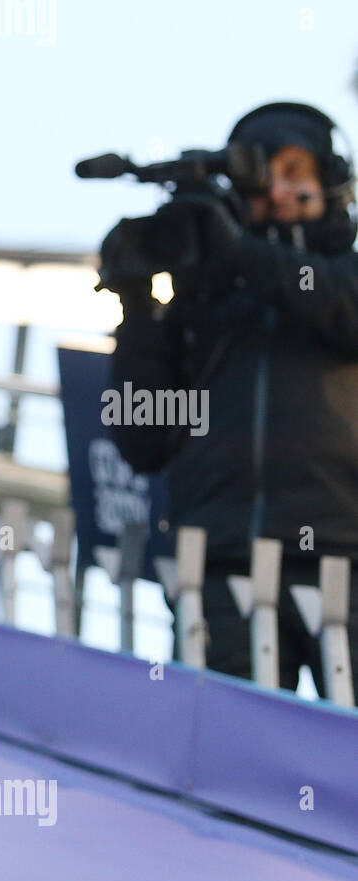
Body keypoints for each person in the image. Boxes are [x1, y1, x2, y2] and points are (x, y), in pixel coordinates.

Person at [109, 101, 358, 691]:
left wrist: (242, 254)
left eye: (293, 171)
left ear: (331, 179)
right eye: (259, 176)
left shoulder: (343, 271)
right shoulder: (204, 300)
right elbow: (144, 438)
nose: (276, 190)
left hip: (347, 563)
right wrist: (138, 308)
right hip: (219, 568)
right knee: (227, 765)